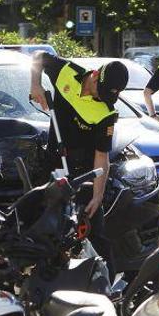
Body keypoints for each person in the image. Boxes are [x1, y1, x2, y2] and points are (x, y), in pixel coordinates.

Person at [29, 51, 128, 268]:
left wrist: (97, 196)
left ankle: (109, 288)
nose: (101, 98)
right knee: (44, 229)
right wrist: (35, 85)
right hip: (53, 166)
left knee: (94, 233)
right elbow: (38, 56)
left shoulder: (106, 113)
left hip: (82, 175)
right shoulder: (67, 71)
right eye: (100, 92)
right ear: (94, 75)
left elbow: (102, 156)